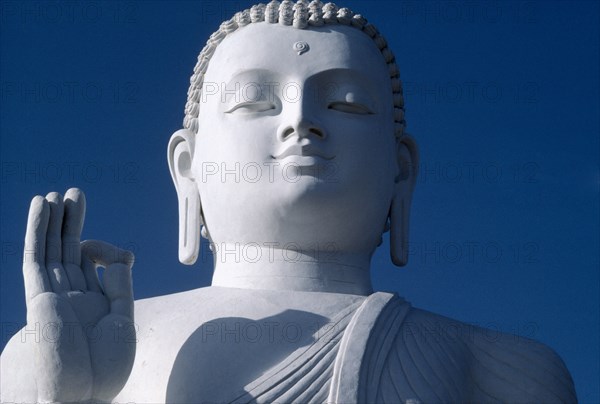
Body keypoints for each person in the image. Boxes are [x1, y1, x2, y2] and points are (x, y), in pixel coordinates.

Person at [1, 1, 577, 403]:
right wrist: (60, 392)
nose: (301, 123)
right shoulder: (91, 344)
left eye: (347, 104)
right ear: (187, 166)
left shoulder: (502, 367)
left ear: (401, 172)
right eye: (256, 102)